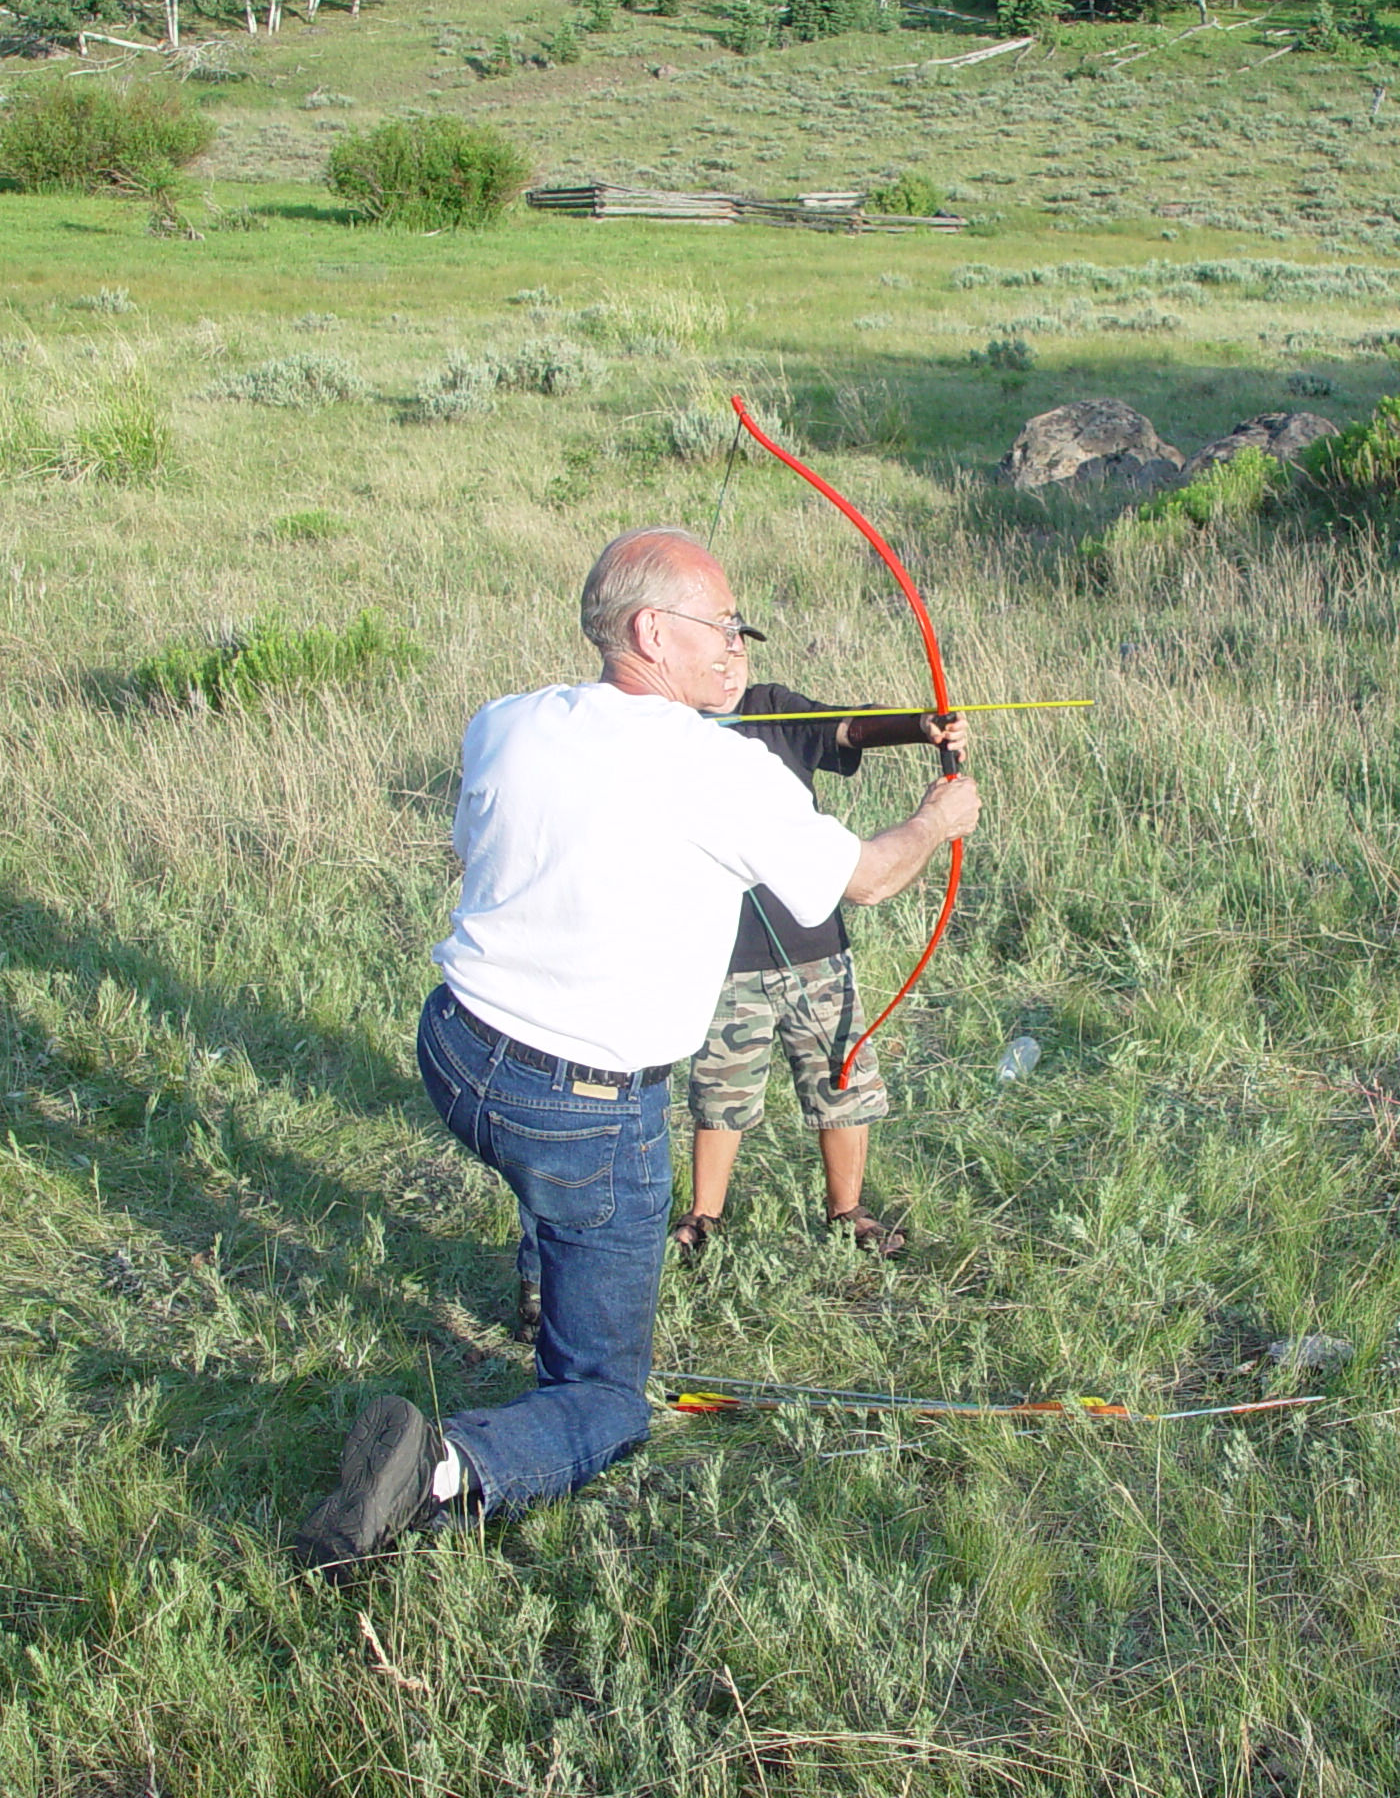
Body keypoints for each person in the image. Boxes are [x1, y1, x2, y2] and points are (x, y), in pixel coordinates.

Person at [293, 526, 979, 1574]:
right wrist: (938, 815)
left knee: (546, 1167)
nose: (736, 648)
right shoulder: (721, 769)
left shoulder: (506, 722)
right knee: (607, 1403)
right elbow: (869, 878)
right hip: (579, 1106)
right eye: (721, 625)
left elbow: (470, 846)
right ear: (652, 632)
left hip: (454, 1053)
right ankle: (440, 1468)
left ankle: (543, 1260)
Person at [674, 654, 966, 1265]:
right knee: (721, 1092)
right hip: (725, 954)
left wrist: (921, 726)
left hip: (815, 947)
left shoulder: (770, 707)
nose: (728, 666)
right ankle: (704, 1217)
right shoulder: (669, 728)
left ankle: (848, 1212)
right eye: (715, 653)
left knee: (841, 1079)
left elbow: (849, 729)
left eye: (739, 652)